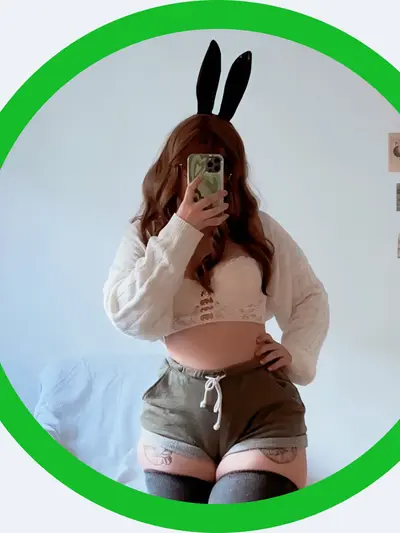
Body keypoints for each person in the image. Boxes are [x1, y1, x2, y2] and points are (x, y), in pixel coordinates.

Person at [103, 40, 329, 504]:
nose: (209, 178)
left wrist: (296, 352)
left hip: (262, 411)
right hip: (175, 416)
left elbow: (310, 297)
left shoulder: (259, 229)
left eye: (220, 166)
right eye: (196, 165)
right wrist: (181, 230)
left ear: (234, 172)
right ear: (173, 167)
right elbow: (128, 316)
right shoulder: (146, 234)